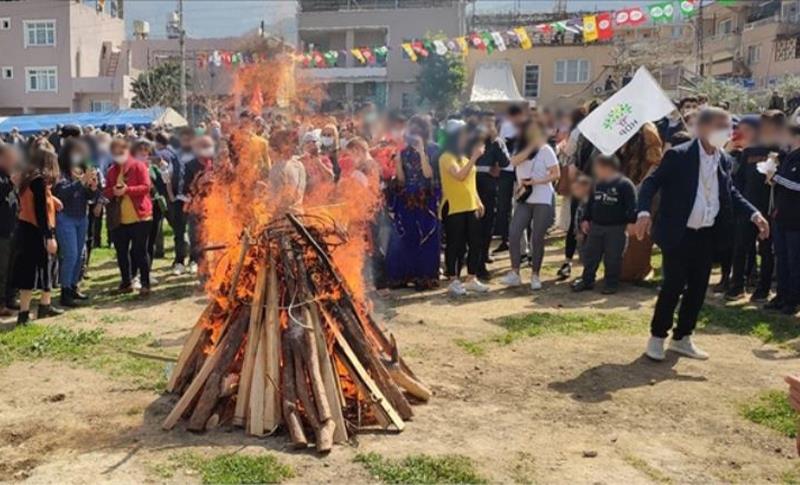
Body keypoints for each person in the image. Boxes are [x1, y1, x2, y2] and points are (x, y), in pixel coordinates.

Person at [635, 108, 769, 361]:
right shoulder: (679, 155)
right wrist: (643, 212)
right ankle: (657, 337)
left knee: (697, 289)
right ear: (705, 128)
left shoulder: (724, 160)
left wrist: (754, 214)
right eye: (723, 127)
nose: (728, 133)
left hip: (706, 235)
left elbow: (731, 192)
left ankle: (682, 337)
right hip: (678, 233)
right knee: (673, 286)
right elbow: (652, 183)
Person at [727, 110, 784, 301]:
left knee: (766, 250)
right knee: (740, 246)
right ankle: (737, 286)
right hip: (748, 207)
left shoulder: (781, 151)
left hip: (769, 209)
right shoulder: (751, 150)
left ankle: (763, 288)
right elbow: (739, 177)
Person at [500, 121, 560, 291]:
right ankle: (515, 272)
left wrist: (536, 181)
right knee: (514, 232)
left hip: (542, 196)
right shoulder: (520, 148)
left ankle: (535, 274)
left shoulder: (546, 150)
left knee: (537, 237)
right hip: (524, 197)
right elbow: (512, 162)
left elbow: (556, 174)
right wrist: (529, 147)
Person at [385, 115, 440, 290]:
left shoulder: (433, 149)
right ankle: (404, 274)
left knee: (426, 235)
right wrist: (398, 163)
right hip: (407, 197)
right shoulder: (403, 151)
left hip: (425, 197)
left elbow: (428, 175)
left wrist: (422, 152)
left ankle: (424, 275)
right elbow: (401, 179)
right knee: (405, 235)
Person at [571, 155, 637, 294]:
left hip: (616, 228)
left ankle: (611, 283)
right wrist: (586, 219)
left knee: (613, 257)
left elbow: (632, 205)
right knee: (591, 255)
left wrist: (631, 222)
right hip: (596, 226)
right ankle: (587, 280)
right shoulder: (597, 183)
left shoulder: (625, 184)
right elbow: (590, 203)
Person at [14, 148, 63, 325]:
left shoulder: (28, 178)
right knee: (39, 269)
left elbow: (38, 200)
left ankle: (37, 308)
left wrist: (52, 198)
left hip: (26, 228)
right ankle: (31, 311)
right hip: (37, 230)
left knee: (38, 268)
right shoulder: (39, 182)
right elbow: (41, 211)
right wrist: (49, 236)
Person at [438, 120, 487, 296]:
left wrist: (478, 201)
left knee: (474, 243)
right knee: (455, 244)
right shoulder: (446, 157)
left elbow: (470, 182)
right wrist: (474, 158)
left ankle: (471, 277)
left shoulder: (464, 157)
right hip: (454, 207)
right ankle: (453, 279)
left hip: (470, 205)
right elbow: (459, 176)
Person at [104, 139, 153, 297]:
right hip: (119, 219)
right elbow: (105, 192)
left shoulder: (138, 166)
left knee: (140, 251)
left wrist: (127, 190)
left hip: (140, 218)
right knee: (121, 252)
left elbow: (146, 187)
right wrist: (113, 191)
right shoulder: (111, 171)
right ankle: (126, 282)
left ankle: (145, 283)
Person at [53, 138, 98, 307]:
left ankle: (73, 286)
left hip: (81, 217)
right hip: (66, 218)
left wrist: (92, 188)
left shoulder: (80, 170)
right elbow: (62, 193)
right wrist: (80, 182)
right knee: (70, 254)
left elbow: (90, 197)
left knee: (80, 255)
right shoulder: (60, 173)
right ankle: (65, 291)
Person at [616, 122, 663, 282]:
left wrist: (641, 185)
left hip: (643, 186)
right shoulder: (627, 131)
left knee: (640, 232)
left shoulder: (648, 130)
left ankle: (639, 270)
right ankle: (622, 269)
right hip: (627, 182)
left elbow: (655, 161)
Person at [766, 123, 800, 315]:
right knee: (782, 258)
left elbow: (797, 185)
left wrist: (776, 178)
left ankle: (793, 300)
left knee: (795, 261)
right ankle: (781, 295)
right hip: (781, 215)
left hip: (796, 219)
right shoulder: (787, 157)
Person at [474, 112, 510, 280]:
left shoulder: (497, 143)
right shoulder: (471, 141)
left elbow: (505, 163)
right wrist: (486, 169)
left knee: (487, 226)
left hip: (489, 189)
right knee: (474, 228)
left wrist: (496, 142)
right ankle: (473, 263)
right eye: (485, 123)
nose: (488, 127)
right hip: (472, 189)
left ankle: (481, 262)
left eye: (491, 124)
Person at [494, 104, 528, 254]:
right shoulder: (506, 125)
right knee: (503, 205)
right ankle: (505, 239)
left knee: (522, 204)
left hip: (521, 170)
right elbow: (501, 146)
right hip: (506, 170)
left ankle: (522, 243)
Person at [169, 128, 195, 275]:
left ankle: (194, 260)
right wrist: (171, 195)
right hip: (178, 200)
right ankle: (179, 261)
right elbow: (169, 177)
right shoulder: (174, 157)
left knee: (194, 232)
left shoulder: (197, 157)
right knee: (179, 231)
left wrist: (194, 196)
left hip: (192, 200)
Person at [0, 144, 20, 316]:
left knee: (13, 266)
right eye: (10, 158)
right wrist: (10, 184)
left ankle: (10, 298)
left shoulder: (8, 174)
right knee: (3, 268)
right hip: (2, 231)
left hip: (13, 227)